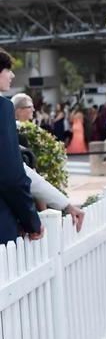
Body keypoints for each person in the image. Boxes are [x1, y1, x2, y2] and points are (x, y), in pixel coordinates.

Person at [12, 93, 85, 230]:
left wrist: (65, 205)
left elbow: (26, 173)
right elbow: (19, 175)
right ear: (18, 110)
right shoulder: (17, 133)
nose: (33, 110)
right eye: (29, 107)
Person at [0, 48, 43, 245]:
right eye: (7, 69)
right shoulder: (3, 107)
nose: (12, 75)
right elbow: (11, 176)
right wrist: (31, 220)